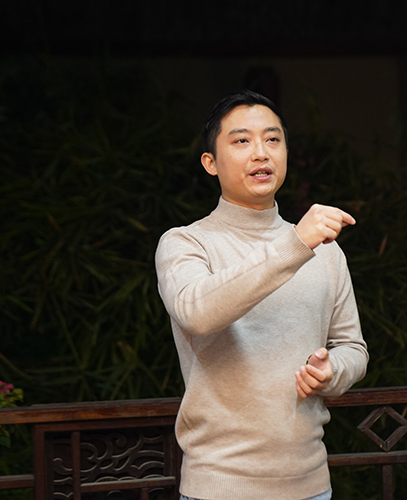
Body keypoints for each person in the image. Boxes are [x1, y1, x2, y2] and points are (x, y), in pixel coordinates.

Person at [155, 90, 368, 500]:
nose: (260, 153)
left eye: (272, 139)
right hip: (219, 488)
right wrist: (295, 244)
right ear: (210, 163)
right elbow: (198, 312)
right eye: (241, 141)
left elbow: (353, 348)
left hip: (312, 486)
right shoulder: (186, 243)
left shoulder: (325, 250)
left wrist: (332, 372)